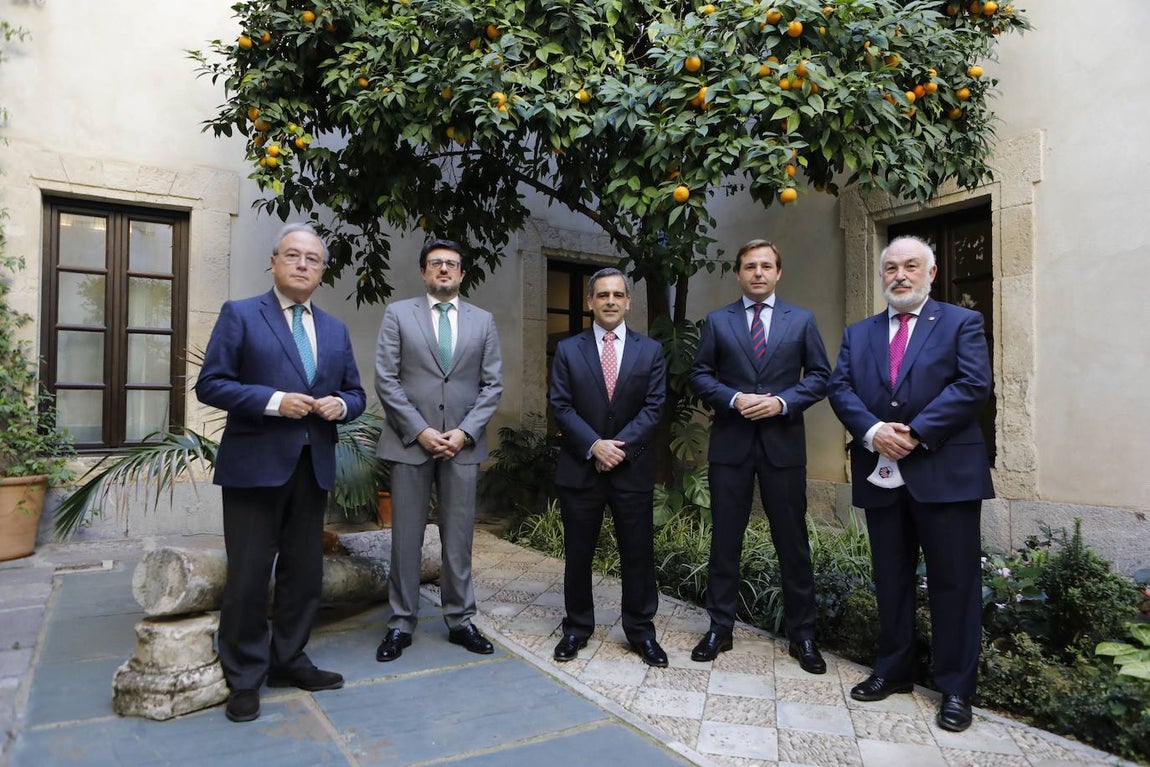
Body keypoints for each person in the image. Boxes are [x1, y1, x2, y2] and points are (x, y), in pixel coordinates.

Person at [196, 223, 366, 723]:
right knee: (248, 577)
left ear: (322, 271)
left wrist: (342, 404)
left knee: (303, 575)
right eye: (293, 255)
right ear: (273, 262)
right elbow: (212, 383)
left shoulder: (334, 329)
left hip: (312, 468)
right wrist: (273, 401)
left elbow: (356, 393)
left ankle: (288, 659)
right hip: (254, 468)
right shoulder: (242, 315)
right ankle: (245, 677)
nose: (302, 265)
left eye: (312, 259)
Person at [827, 235, 993, 732]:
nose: (899, 275)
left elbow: (973, 385)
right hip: (883, 474)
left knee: (955, 583)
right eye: (891, 268)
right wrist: (875, 431)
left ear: (931, 273)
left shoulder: (963, 322)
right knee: (891, 580)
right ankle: (894, 669)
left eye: (911, 267)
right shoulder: (860, 333)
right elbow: (841, 388)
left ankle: (956, 688)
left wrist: (916, 433)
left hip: (946, 475)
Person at [688, 239, 830, 673]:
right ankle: (719, 628)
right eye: (750, 266)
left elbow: (822, 376)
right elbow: (699, 375)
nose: (758, 273)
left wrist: (782, 402)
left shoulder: (801, 321)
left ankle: (803, 636)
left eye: (767, 265)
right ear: (738, 273)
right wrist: (733, 398)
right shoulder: (717, 321)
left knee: (793, 543)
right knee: (725, 540)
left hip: (783, 446)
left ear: (778, 272)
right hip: (731, 445)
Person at [373, 239, 503, 662]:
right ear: (424, 272)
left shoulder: (483, 321)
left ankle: (461, 620)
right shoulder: (398, 314)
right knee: (405, 538)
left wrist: (464, 432)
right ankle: (400, 623)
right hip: (411, 443)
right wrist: (421, 430)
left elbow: (492, 385)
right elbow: (386, 379)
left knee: (459, 538)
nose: (443, 270)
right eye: (435, 264)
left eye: (451, 264)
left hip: (462, 447)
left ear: (463, 273)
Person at [549, 268, 669, 667]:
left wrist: (619, 447)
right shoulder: (568, 350)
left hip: (631, 469)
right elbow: (561, 406)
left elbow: (654, 408)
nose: (611, 301)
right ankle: (576, 628)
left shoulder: (649, 351)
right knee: (578, 554)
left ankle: (640, 631)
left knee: (638, 554)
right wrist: (595, 445)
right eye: (603, 295)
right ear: (590, 302)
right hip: (581, 469)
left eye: (618, 294)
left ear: (629, 301)